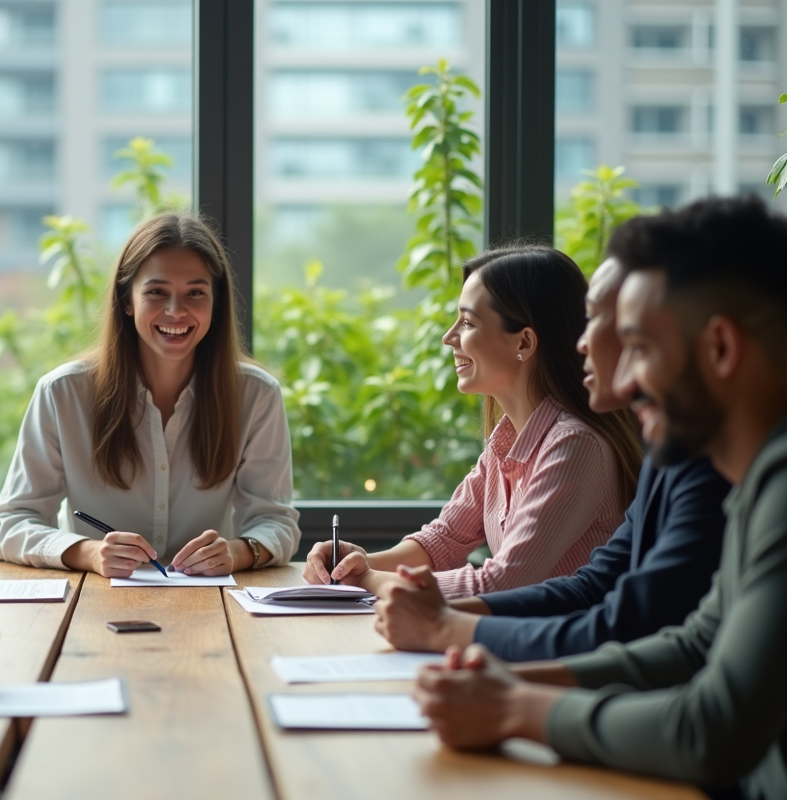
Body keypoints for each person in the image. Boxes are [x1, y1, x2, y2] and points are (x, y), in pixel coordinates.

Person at [413, 196, 787, 800]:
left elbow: (713, 727)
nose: (612, 364)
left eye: (637, 345)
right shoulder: (747, 475)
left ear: (719, 349)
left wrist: (517, 707)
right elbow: (690, 642)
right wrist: (506, 684)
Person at [372, 259, 729, 660]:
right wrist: (368, 572)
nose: (581, 343)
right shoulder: (667, 460)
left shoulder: (583, 444)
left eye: (631, 339)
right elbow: (590, 587)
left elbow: (516, 587)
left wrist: (394, 594)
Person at [304, 247, 643, 598]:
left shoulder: (575, 445)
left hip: (560, 648)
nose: (448, 337)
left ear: (524, 342)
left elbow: (502, 583)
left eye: (467, 323)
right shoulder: (507, 441)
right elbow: (443, 540)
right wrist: (355, 563)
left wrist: (367, 580)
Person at [0, 212, 300, 577]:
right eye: (157, 292)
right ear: (127, 300)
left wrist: (237, 552)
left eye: (195, 293)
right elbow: (7, 526)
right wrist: (88, 553)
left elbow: (277, 523)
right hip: (93, 606)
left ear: (215, 303)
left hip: (213, 606)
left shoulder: (257, 396)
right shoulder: (63, 393)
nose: (176, 310)